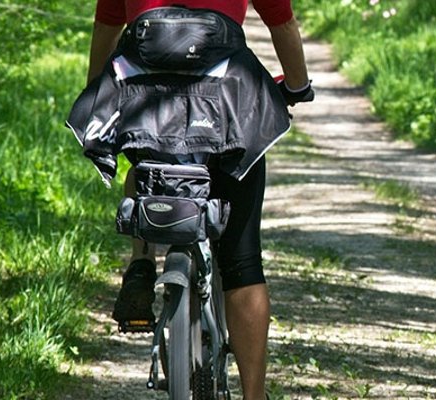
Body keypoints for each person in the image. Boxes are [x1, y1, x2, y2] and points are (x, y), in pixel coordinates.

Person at [84, 1, 314, 398]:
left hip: (145, 98)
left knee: (143, 167)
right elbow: (283, 24)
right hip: (225, 100)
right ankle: (254, 396)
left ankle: (141, 260)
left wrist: (96, 91)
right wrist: (297, 86)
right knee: (242, 262)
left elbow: (107, 25)